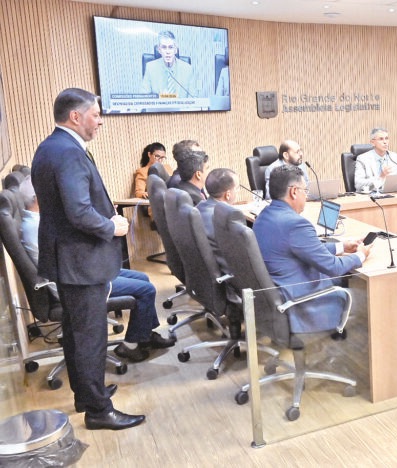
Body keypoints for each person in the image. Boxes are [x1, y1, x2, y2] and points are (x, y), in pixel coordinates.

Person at [30, 88, 144, 430]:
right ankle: (98, 411)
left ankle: (86, 394)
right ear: (75, 116)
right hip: (81, 263)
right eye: (96, 114)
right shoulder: (68, 152)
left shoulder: (51, 146)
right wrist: (112, 226)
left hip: (69, 259)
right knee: (90, 336)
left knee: (76, 332)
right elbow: (79, 211)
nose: (100, 121)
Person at [19, 176, 175, 366]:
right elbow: (66, 260)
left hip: (80, 274)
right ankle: (131, 345)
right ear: (39, 197)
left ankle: (145, 334)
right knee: (146, 290)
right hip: (78, 284)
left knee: (141, 277)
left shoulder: (38, 220)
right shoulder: (36, 227)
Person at [253, 166, 372, 332]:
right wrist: (361, 255)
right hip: (303, 303)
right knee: (371, 298)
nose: (306, 196)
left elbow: (305, 248)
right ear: (294, 192)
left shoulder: (264, 215)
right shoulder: (296, 224)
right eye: (305, 191)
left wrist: (341, 246)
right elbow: (334, 267)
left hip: (279, 294)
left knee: (350, 283)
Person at [197, 167, 239, 274]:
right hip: (228, 275)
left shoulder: (199, 206)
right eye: (237, 188)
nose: (238, 192)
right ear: (228, 195)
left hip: (202, 271)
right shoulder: (225, 219)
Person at [140, 30, 195, 97]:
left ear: (175, 50)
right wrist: (161, 98)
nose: (167, 52)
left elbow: (193, 98)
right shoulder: (150, 67)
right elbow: (144, 97)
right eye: (164, 47)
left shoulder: (188, 69)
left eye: (170, 47)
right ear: (159, 50)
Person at [354, 127, 397, 192]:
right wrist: (381, 177)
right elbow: (358, 184)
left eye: (386, 138)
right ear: (372, 142)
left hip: (391, 193)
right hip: (371, 195)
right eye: (381, 139)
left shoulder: (394, 157)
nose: (385, 142)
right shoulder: (362, 159)